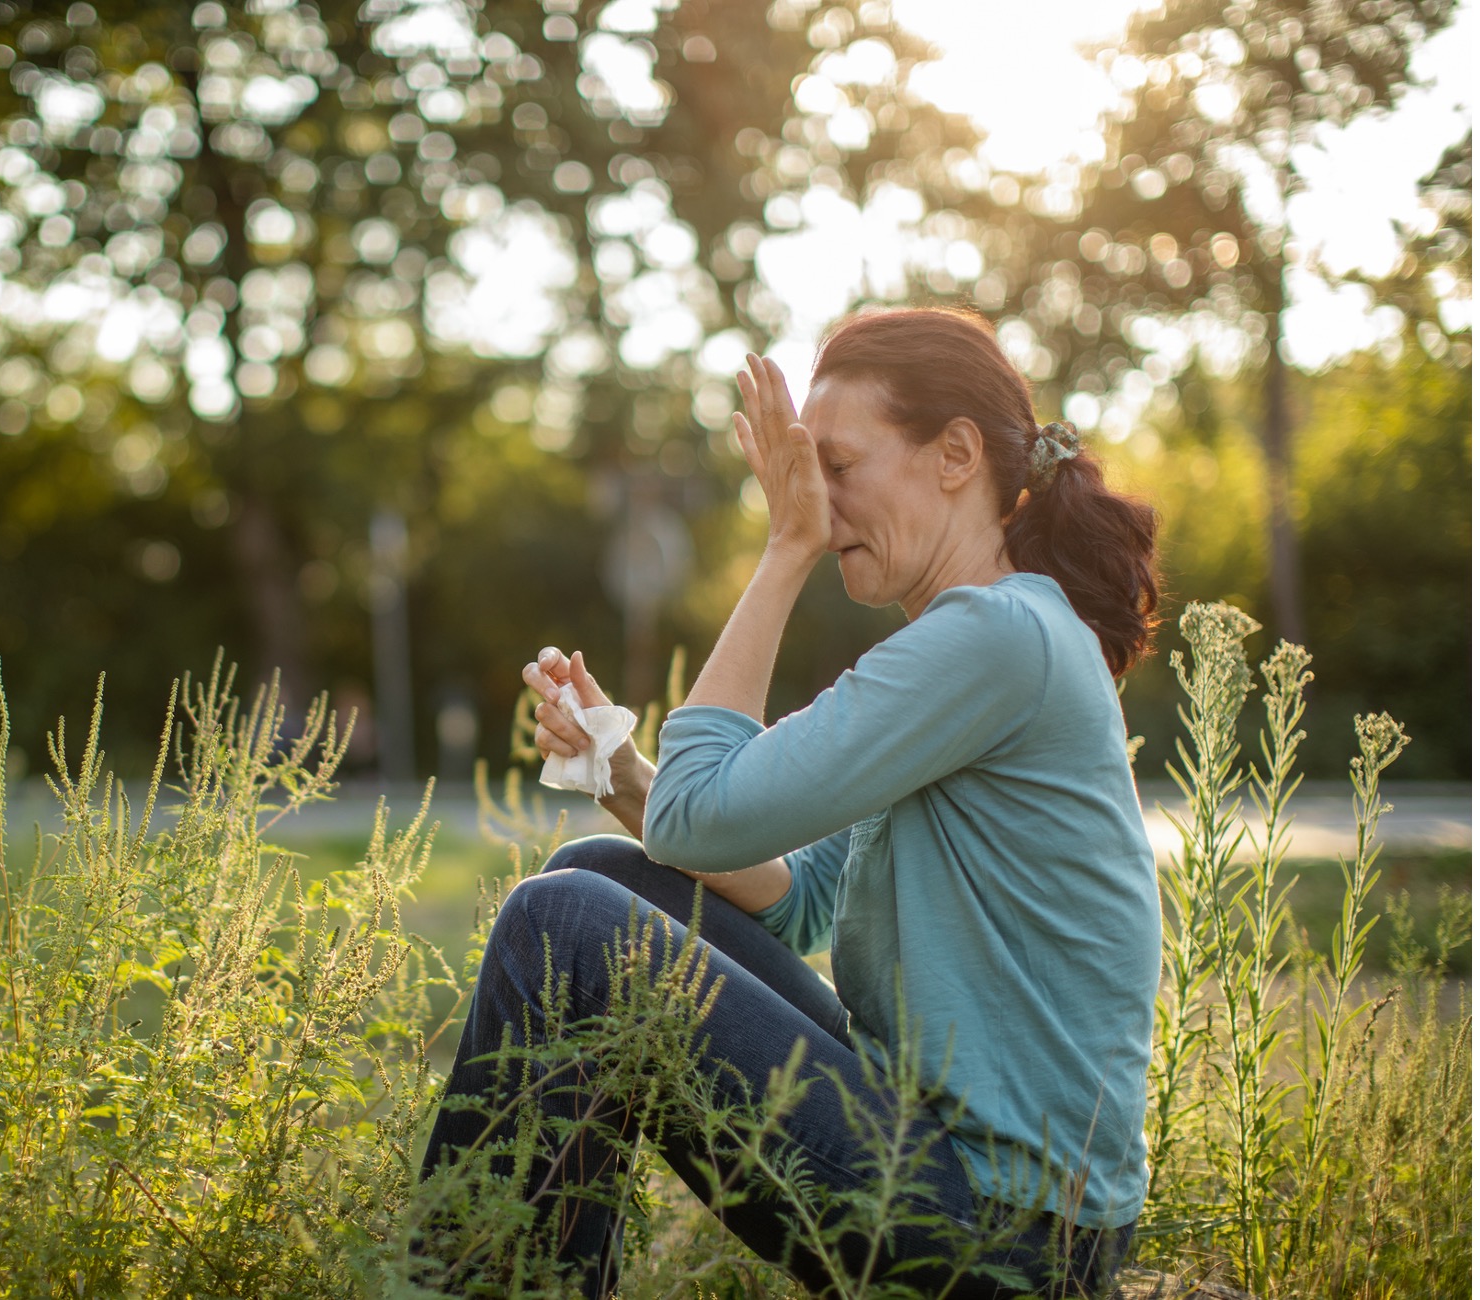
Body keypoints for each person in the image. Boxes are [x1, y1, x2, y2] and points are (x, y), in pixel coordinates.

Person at [414, 308, 1162, 1297]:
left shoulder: (994, 639)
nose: (814, 498)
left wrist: (784, 550)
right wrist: (624, 776)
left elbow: (703, 816)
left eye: (836, 467)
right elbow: (798, 895)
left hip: (1004, 1232)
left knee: (559, 926)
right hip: (957, 1181)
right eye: (804, 477)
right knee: (592, 877)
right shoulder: (978, 642)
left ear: (953, 454)